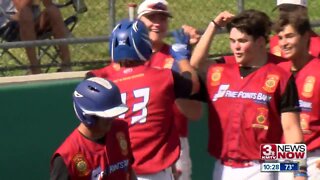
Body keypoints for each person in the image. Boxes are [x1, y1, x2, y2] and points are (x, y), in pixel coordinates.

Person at [189, 9, 305, 180]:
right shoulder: (222, 68)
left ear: (259, 42)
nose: (236, 46)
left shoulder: (280, 75)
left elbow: (291, 128)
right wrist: (213, 26)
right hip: (222, 167)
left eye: (242, 41)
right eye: (232, 41)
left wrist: (300, 172)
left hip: (261, 166)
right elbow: (196, 63)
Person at [87, 19, 199, 179]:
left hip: (117, 171)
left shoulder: (104, 82)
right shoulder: (163, 76)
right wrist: (182, 56)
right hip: (154, 172)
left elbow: (91, 77)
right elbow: (193, 85)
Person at [137, 1, 202, 179]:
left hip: (174, 143)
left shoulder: (178, 57)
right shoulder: (127, 59)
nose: (157, 23)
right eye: (151, 17)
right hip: (136, 143)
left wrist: (188, 54)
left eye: (163, 18)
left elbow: (195, 111)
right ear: (138, 22)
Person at [50, 77, 136, 179]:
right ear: (88, 116)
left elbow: (129, 170)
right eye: (107, 116)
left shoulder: (119, 130)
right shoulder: (67, 157)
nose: (113, 118)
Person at [273, 10, 320, 180]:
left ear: (306, 35)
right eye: (280, 37)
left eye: (289, 36)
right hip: (281, 157)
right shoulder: (277, 73)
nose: (283, 43)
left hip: (314, 159)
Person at [12, 0, 71, 74]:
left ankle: (66, 64)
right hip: (11, 25)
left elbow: (48, 4)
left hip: (34, 23)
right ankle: (34, 67)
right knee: (25, 13)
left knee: (52, 11)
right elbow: (20, 8)